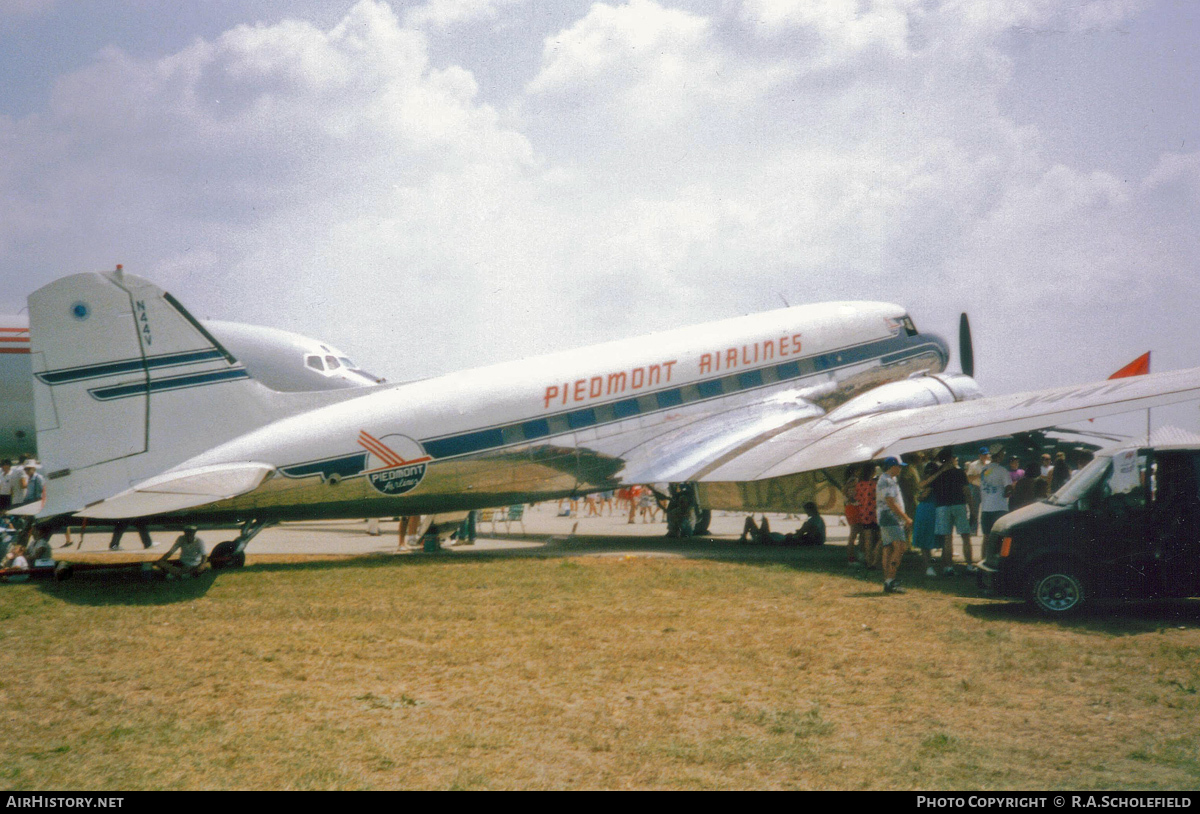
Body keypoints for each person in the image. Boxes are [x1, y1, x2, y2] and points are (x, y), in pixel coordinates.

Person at [930, 448, 974, 574]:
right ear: (950, 459)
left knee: (947, 538)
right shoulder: (959, 472)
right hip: (958, 504)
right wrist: (972, 509)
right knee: (965, 536)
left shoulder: (938, 473)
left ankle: (948, 567)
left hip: (942, 506)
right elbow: (966, 492)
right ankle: (970, 565)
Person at [876, 457, 914, 594]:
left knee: (888, 548)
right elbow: (891, 502)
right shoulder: (887, 480)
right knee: (900, 546)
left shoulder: (888, 479)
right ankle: (890, 580)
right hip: (890, 517)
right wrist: (906, 518)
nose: (900, 468)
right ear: (892, 466)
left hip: (885, 517)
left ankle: (888, 581)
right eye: (898, 466)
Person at [979, 450, 1013, 559]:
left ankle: (983, 559)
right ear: (1000, 456)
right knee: (1000, 538)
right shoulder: (1002, 471)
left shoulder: (984, 469)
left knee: (986, 537)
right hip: (999, 508)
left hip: (986, 508)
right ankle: (997, 561)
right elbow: (1009, 489)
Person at [913, 458, 940, 576]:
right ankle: (929, 566)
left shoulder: (932, 485)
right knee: (927, 541)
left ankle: (929, 566)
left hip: (927, 511)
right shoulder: (930, 483)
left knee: (926, 541)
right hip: (928, 510)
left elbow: (921, 496)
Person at [854, 462, 881, 569]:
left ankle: (869, 562)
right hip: (875, 513)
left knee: (867, 539)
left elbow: (857, 498)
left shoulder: (859, 484)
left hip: (864, 514)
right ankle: (875, 559)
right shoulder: (875, 484)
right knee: (880, 538)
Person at [965, 447, 990, 536]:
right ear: (980, 455)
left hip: (987, 489)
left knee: (987, 510)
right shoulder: (973, 465)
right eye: (983, 455)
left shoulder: (989, 464)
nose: (985, 456)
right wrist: (979, 475)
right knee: (974, 509)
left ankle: (986, 530)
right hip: (976, 487)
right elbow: (969, 478)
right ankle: (973, 530)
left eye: (986, 454)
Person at [842, 465, 863, 567]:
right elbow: (852, 495)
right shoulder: (854, 480)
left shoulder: (848, 480)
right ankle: (851, 558)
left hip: (849, 508)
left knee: (854, 533)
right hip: (853, 508)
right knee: (854, 533)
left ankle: (852, 557)